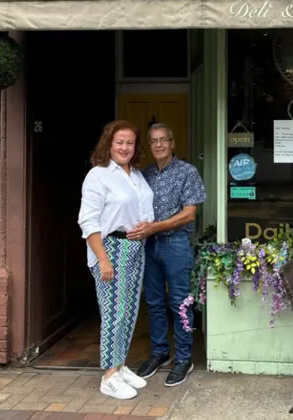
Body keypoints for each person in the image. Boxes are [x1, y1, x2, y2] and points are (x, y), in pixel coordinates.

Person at [77, 120, 154, 400]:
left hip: (135, 247)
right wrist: (103, 259)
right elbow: (88, 221)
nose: (124, 147)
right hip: (111, 247)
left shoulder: (135, 175)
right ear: (108, 144)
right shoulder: (98, 176)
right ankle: (108, 375)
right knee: (113, 313)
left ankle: (120, 365)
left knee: (130, 311)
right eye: (119, 142)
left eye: (130, 143)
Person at [128, 122, 206, 387]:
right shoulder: (144, 174)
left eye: (163, 140)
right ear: (149, 146)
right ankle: (160, 352)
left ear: (172, 142)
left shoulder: (187, 172)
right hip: (149, 247)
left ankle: (183, 358)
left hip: (176, 244)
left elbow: (189, 213)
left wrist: (155, 227)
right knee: (154, 302)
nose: (159, 145)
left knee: (180, 302)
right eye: (153, 141)